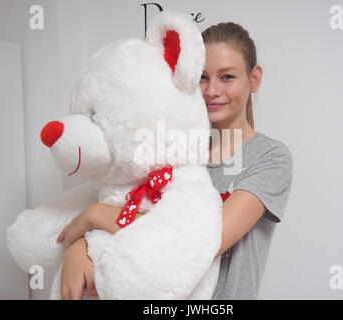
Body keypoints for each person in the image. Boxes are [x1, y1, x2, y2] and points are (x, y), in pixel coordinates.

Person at [56, 22, 293, 300]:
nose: (211, 90)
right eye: (202, 77)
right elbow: (121, 201)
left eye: (227, 77)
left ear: (254, 79)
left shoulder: (270, 158)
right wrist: (79, 247)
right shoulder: (167, 148)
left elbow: (202, 241)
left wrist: (94, 217)